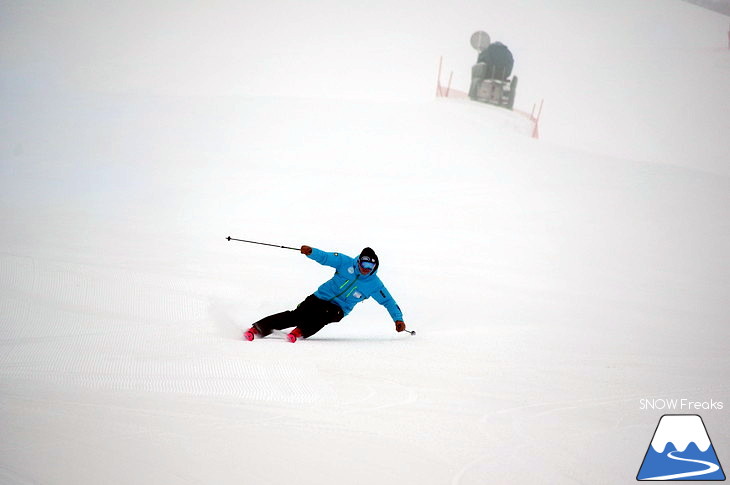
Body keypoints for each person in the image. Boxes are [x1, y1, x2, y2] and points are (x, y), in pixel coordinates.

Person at [245, 245, 406, 342]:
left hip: (339, 309)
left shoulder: (374, 284)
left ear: (374, 268)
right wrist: (311, 252)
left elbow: (389, 302)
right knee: (296, 315)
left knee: (323, 315)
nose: (365, 269)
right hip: (320, 297)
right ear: (358, 261)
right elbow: (325, 257)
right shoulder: (345, 262)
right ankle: (258, 328)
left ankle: (300, 332)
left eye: (370, 267)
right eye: (364, 264)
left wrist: (398, 320)